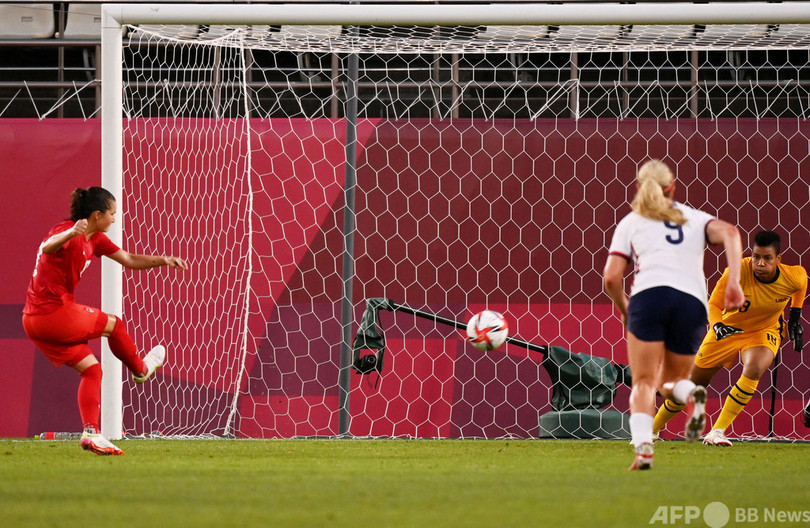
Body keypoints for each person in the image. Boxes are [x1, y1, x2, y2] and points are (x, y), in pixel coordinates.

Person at [22, 187, 188, 456]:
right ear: (97, 214)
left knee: (92, 370)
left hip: (35, 321)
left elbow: (129, 259)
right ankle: (141, 369)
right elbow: (46, 247)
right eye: (111, 214)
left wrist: (163, 260)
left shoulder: (96, 239)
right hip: (51, 314)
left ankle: (91, 433)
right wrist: (70, 232)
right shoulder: (66, 231)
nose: (114, 219)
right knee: (114, 324)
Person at [603, 159, 744, 470]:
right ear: (673, 188)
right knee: (673, 380)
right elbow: (731, 233)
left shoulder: (631, 222)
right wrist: (734, 281)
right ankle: (692, 393)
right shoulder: (694, 218)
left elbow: (612, 278)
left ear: (640, 187)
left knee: (643, 381)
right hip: (691, 302)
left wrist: (625, 310)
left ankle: (643, 450)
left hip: (649, 298)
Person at [653, 230, 807, 446]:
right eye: (756, 257)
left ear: (778, 259)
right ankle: (652, 429)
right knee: (693, 385)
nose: (760, 263)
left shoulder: (793, 276)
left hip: (764, 331)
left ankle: (717, 431)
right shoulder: (735, 273)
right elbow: (714, 304)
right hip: (728, 329)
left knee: (754, 367)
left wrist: (795, 317)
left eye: (767, 258)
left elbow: (802, 284)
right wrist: (717, 326)